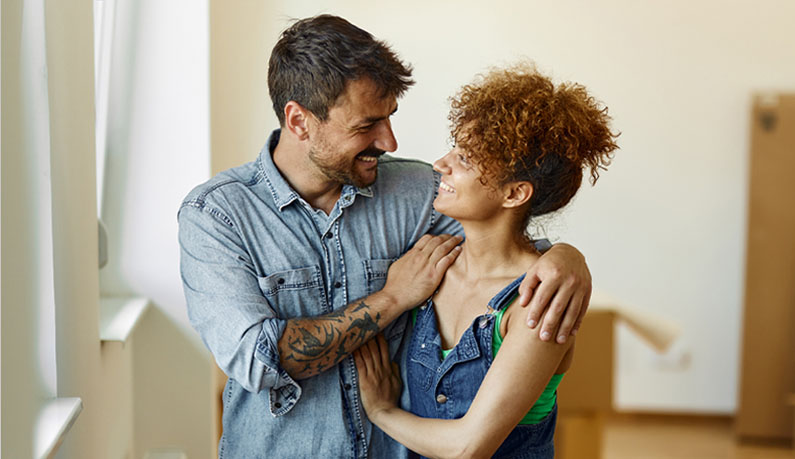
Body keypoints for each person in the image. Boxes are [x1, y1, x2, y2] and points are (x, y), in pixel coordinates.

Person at [178, 15, 592, 458]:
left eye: (389, 118)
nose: (390, 141)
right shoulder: (217, 216)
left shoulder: (416, 193)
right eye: (366, 125)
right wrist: (393, 298)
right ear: (299, 121)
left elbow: (506, 234)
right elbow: (258, 361)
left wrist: (568, 259)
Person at [355, 64, 619, 458]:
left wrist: (380, 410)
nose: (441, 164)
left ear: (514, 194)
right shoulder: (430, 267)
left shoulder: (537, 301)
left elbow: (467, 447)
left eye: (465, 158)